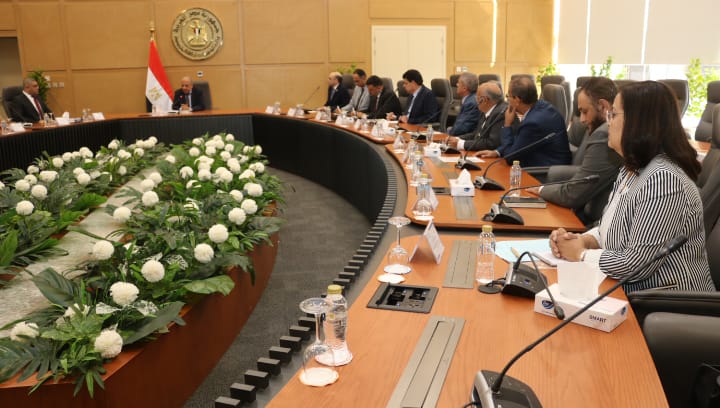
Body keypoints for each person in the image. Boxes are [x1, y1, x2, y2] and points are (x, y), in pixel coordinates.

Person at [550, 81, 714, 294]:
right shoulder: (631, 168)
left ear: (638, 122)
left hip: (665, 302)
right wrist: (581, 240)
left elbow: (636, 265)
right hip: (626, 291)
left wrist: (581, 254)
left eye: (613, 115)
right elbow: (609, 230)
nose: (608, 122)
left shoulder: (663, 179)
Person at [528, 76, 623, 224]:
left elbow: (574, 194)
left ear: (603, 106)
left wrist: (540, 190)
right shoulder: (601, 130)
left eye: (585, 111)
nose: (582, 120)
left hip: (594, 222)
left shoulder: (604, 134)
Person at [476, 76, 570, 167]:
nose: (507, 100)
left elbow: (510, 157)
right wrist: (497, 152)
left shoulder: (533, 123)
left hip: (546, 170)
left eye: (508, 96)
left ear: (517, 100)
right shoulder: (542, 106)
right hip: (539, 162)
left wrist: (507, 125)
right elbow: (519, 142)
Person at [447, 80, 507, 151]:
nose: (475, 100)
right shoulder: (485, 110)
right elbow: (476, 134)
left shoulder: (500, 114)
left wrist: (461, 144)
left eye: (477, 97)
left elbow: (491, 143)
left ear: (484, 100)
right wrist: (458, 138)